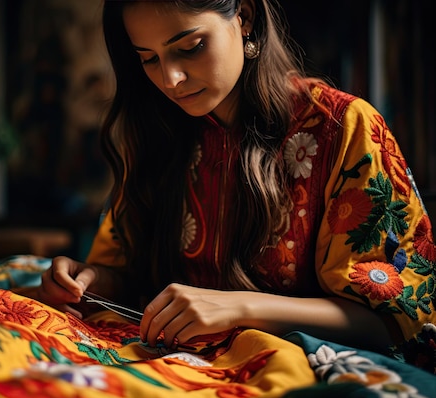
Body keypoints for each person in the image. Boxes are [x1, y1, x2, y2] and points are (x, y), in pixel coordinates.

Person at [32, 0, 436, 370]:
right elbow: (129, 274)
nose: (171, 79)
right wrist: (88, 280)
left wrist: (239, 307)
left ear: (244, 16)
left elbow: (395, 319)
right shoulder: (158, 134)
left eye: (189, 47)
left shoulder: (341, 128)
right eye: (149, 59)